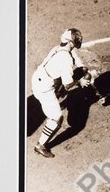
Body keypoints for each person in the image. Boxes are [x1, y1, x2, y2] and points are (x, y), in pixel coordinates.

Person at [31, 28, 91, 158]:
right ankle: (40, 146)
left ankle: (56, 98)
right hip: (44, 89)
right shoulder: (66, 60)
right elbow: (68, 85)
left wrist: (81, 70)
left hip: (38, 79)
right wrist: (80, 82)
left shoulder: (58, 48)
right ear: (71, 42)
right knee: (57, 117)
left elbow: (71, 58)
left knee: (61, 80)